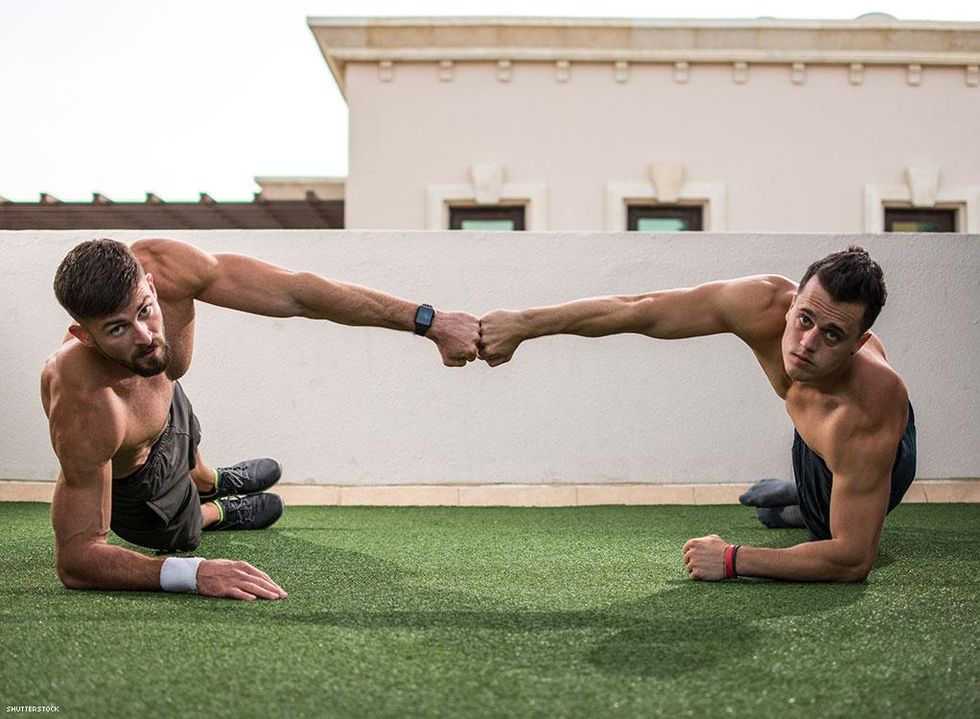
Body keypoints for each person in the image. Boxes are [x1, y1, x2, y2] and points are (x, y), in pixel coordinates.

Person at [43, 238, 480, 600]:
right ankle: (216, 511)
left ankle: (210, 480)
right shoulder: (89, 406)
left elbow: (297, 292)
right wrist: (193, 573)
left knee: (175, 406)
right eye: (117, 329)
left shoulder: (166, 267)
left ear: (152, 284)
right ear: (85, 336)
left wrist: (430, 322)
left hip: (162, 405)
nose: (145, 336)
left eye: (144, 310)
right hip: (140, 483)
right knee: (181, 531)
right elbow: (78, 560)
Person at [478, 246, 915, 582]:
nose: (807, 344)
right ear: (791, 303)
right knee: (791, 502)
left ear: (858, 343)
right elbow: (640, 309)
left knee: (822, 531)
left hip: (871, 450)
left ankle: (806, 501)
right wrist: (524, 324)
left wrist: (731, 558)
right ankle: (800, 494)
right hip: (816, 434)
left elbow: (851, 560)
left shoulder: (862, 416)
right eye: (804, 319)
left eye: (833, 335)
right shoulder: (761, 302)